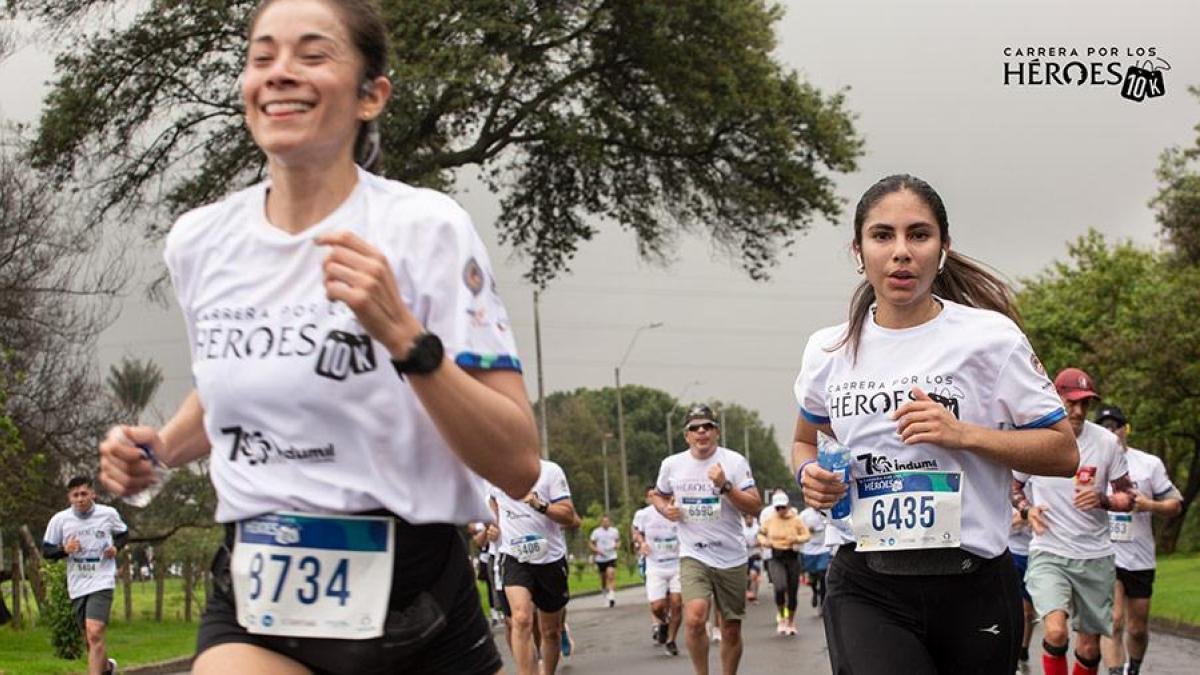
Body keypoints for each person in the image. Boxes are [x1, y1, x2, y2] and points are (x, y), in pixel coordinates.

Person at [96, 2, 542, 673]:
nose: (280, 72)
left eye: (312, 54)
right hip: (258, 586)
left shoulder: (427, 230)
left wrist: (405, 337)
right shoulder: (201, 241)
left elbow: (517, 463)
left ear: (371, 96)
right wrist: (158, 450)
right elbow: (232, 383)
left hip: (415, 605)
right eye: (262, 56)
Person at [793, 174, 1079, 675]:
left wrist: (964, 434)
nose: (901, 251)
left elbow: (1063, 452)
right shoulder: (828, 349)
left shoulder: (990, 339)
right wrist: (808, 475)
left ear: (943, 248)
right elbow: (804, 440)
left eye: (919, 235)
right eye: (882, 235)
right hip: (866, 584)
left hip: (974, 585)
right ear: (858, 250)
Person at [1013, 368, 1136, 675]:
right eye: (1072, 403)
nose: (1079, 411)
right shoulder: (1037, 439)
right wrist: (1028, 510)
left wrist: (1104, 500)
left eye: (1085, 404)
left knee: (1089, 648)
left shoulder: (1106, 443)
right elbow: (1012, 487)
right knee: (1055, 632)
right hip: (1049, 551)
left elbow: (1128, 496)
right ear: (1056, 399)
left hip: (1095, 555)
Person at [652, 404, 762, 675]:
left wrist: (726, 486)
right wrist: (665, 509)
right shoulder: (672, 464)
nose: (701, 431)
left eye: (707, 426)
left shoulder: (734, 462)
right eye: (695, 428)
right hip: (693, 553)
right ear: (686, 435)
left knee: (730, 628)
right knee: (695, 618)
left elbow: (754, 505)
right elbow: (658, 495)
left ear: (716, 432)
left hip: (731, 555)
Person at [1095, 405, 1182, 675]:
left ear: (1125, 429)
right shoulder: (1091, 463)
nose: (1111, 432)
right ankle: (1115, 672)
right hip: (1106, 553)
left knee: (1137, 628)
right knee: (1114, 620)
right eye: (1104, 427)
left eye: (1115, 427)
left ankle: (1133, 668)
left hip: (1140, 557)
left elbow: (1175, 504)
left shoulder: (1148, 464)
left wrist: (1149, 505)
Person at [491, 459, 580, 675]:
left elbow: (569, 516)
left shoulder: (550, 471)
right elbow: (492, 503)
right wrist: (493, 525)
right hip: (514, 556)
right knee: (521, 619)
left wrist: (541, 506)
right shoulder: (495, 471)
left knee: (550, 632)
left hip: (550, 559)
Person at [42, 476, 128, 675]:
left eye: (84, 494)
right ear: (69, 497)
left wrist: (116, 547)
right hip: (78, 583)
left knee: (95, 631)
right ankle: (107, 668)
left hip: (102, 579)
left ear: (93, 494)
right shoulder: (60, 520)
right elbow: (47, 551)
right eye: (75, 495)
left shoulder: (108, 514)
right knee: (90, 638)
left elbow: (124, 533)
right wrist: (65, 549)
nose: (80, 499)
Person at [635, 493, 684, 656]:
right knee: (657, 607)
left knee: (677, 603)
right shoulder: (644, 514)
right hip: (655, 565)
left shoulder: (679, 511)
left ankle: (671, 640)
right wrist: (641, 543)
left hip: (677, 563)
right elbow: (636, 532)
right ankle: (664, 622)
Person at [758, 491, 810, 635]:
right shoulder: (770, 520)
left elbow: (806, 535)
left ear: (788, 506)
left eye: (783, 507)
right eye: (778, 508)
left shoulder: (796, 519)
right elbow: (760, 534)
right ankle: (781, 617)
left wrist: (797, 539)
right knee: (780, 587)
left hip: (792, 555)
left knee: (792, 591)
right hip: (776, 556)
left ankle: (791, 621)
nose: (780, 510)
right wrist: (765, 542)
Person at [1008, 506, 1036, 674]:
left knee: (1029, 612)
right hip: (1012, 552)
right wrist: (1024, 517)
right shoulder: (1010, 495)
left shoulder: (1042, 497)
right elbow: (1006, 524)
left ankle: (1023, 648)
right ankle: (1015, 654)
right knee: (1017, 609)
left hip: (1037, 554)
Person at [798, 505, 832, 613]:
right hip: (809, 549)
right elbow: (798, 529)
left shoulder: (828, 511)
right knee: (813, 576)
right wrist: (807, 530)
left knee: (823, 574)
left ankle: (822, 602)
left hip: (824, 548)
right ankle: (814, 592)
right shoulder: (804, 514)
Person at [589, 515, 620, 607]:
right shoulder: (596, 532)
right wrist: (596, 550)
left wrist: (617, 545)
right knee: (603, 578)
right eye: (604, 521)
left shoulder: (614, 531)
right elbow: (591, 543)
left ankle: (612, 596)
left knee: (611, 575)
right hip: (601, 558)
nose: (606, 523)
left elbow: (618, 541)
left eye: (607, 521)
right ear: (601, 522)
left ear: (609, 522)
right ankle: (604, 595)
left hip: (612, 556)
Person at [741, 513, 761, 604]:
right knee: (746, 577)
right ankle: (747, 589)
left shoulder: (758, 528)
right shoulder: (741, 528)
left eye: (750, 518)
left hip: (756, 554)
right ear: (744, 519)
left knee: (754, 575)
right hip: (744, 556)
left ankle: (755, 596)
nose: (749, 520)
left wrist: (759, 542)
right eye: (747, 518)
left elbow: (762, 539)